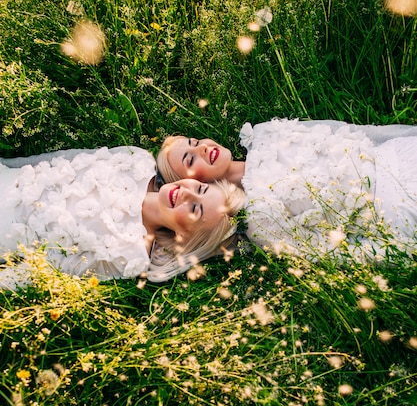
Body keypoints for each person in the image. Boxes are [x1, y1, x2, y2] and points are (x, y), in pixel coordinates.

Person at [157, 119, 417, 260]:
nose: (202, 148)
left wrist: (407, 136)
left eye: (194, 142)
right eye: (190, 160)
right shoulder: (261, 220)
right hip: (397, 210)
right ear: (195, 183)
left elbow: (355, 132)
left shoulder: (264, 133)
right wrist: (403, 252)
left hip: (400, 153)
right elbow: (338, 252)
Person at [0, 146, 246, 290]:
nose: (186, 193)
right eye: (200, 189)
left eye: (194, 209)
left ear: (185, 235)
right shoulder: (137, 160)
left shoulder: (129, 254)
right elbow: (58, 160)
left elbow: (46, 270)